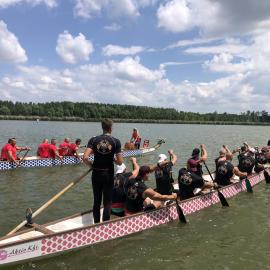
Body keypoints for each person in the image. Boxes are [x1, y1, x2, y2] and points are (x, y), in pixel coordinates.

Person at [83, 118, 123, 223]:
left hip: (96, 173)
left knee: (96, 201)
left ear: (102, 127)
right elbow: (120, 162)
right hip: (108, 174)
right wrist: (114, 159)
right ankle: (105, 226)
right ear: (111, 128)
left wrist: (91, 166)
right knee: (107, 202)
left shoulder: (93, 139)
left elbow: (85, 158)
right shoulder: (116, 141)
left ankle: (96, 224)